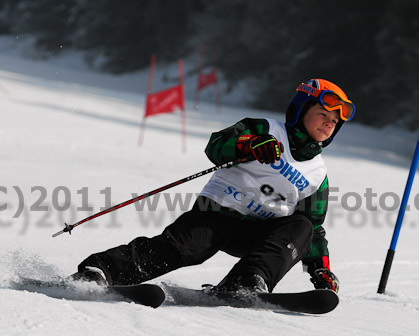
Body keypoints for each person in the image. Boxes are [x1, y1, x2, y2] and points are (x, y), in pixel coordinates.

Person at [72, 78, 355, 294]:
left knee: (302, 226)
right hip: (219, 214)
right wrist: (248, 144)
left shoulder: (318, 173)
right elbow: (217, 145)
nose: (328, 124)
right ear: (301, 110)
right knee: (185, 250)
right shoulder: (264, 129)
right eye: (322, 114)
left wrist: (320, 268)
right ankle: (103, 269)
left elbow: (313, 226)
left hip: (260, 235)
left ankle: (246, 282)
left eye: (334, 122)